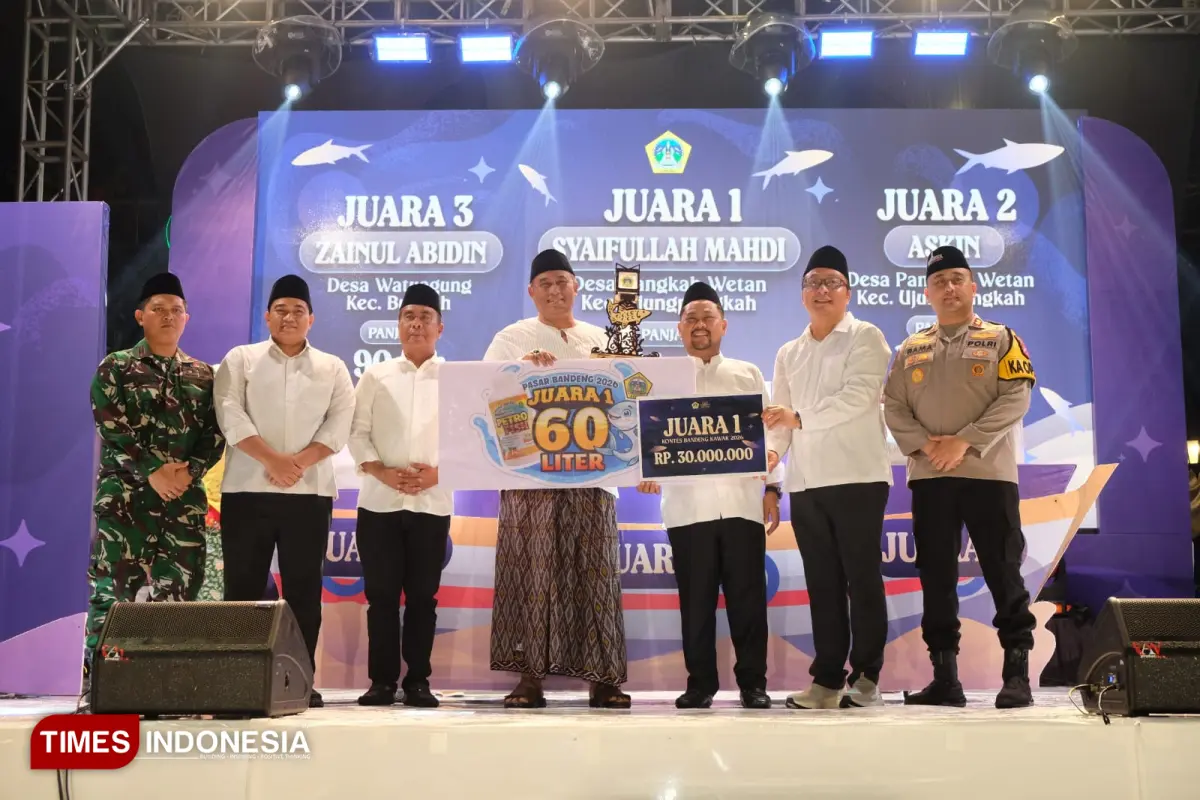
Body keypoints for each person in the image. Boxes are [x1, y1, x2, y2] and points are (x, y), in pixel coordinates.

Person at [883, 245, 1037, 709]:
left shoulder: (1001, 338)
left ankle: (1017, 675)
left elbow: (1016, 397)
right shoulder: (910, 348)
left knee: (1003, 571)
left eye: (956, 279)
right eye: (939, 282)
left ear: (973, 286)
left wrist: (964, 441)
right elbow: (893, 406)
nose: (948, 288)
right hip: (930, 478)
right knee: (936, 576)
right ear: (927, 293)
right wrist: (928, 445)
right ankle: (945, 679)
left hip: (989, 476)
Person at [482, 249, 630, 709]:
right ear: (531, 291)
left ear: (576, 287)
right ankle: (530, 677)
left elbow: (629, 399)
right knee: (532, 574)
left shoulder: (601, 339)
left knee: (597, 575)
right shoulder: (512, 338)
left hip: (593, 477)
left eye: (562, 281)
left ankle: (604, 679)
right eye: (544, 283)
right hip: (530, 480)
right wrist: (519, 368)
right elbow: (485, 394)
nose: (554, 290)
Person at [213, 274, 355, 708]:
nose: (289, 317)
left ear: (311, 318)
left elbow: (339, 424)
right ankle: (238, 681)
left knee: (303, 593)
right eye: (281, 310)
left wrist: (298, 463)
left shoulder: (333, 367)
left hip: (308, 495)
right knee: (242, 590)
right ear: (267, 316)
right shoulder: (241, 359)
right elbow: (229, 412)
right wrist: (272, 460)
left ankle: (299, 681)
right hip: (246, 491)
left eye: (298, 311)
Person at [637, 281, 780, 709]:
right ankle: (700, 684)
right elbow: (646, 435)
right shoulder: (662, 380)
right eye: (691, 319)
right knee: (695, 603)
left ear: (723, 325)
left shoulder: (747, 373)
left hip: (741, 504)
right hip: (687, 509)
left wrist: (773, 487)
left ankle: (753, 684)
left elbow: (770, 432)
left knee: (748, 601)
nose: (700, 325)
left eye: (708, 317)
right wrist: (645, 469)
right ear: (679, 328)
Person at [762, 245, 894, 710]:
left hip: (858, 477)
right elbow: (779, 420)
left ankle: (867, 677)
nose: (822, 291)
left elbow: (859, 397)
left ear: (847, 292)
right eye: (813, 283)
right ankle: (827, 679)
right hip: (806, 484)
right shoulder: (789, 352)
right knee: (822, 584)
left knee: (862, 579)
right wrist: (771, 456)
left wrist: (798, 418)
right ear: (802, 294)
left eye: (831, 283)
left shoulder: (866, 337)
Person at [84, 273, 224, 700]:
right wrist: (152, 471)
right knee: (113, 597)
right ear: (140, 316)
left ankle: (165, 690)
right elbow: (109, 422)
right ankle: (101, 687)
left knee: (177, 599)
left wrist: (189, 473)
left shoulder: (203, 375)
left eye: (176, 310)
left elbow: (215, 433)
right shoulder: (116, 367)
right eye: (158, 309)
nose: (168, 316)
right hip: (125, 502)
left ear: (187, 318)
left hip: (181, 505)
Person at [348, 284, 451, 708]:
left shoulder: (455, 378)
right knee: (382, 597)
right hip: (380, 503)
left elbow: (469, 439)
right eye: (409, 316)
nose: (416, 324)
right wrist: (381, 471)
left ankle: (418, 682)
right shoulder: (376, 376)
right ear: (398, 325)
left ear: (440, 327)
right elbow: (356, 433)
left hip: (432, 502)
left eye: (425, 317)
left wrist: (438, 475)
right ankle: (382, 682)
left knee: (424, 598)